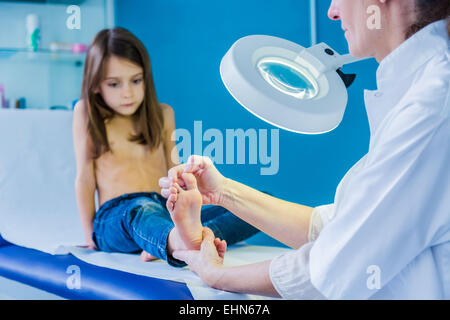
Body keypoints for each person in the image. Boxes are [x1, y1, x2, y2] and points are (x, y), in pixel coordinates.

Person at [159, 0, 450, 299]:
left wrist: (215, 274)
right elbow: (341, 228)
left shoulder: (432, 107)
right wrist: (223, 192)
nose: (332, 11)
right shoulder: (420, 93)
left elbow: (332, 266)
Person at [72, 27, 259, 267]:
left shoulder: (162, 114)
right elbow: (84, 178)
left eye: (136, 80)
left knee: (252, 205)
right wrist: (90, 237)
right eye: (114, 84)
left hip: (163, 211)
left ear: (146, 78)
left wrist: (186, 204)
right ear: (96, 85)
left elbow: (174, 173)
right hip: (117, 216)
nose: (128, 92)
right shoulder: (87, 113)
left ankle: (173, 239)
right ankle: (174, 240)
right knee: (140, 210)